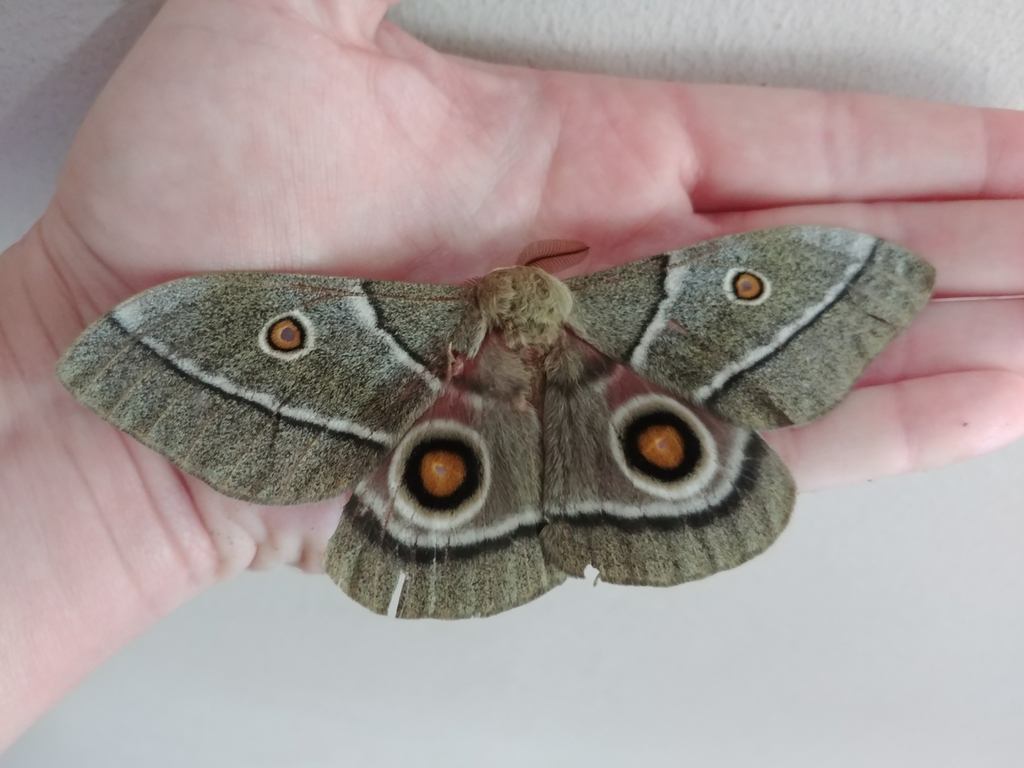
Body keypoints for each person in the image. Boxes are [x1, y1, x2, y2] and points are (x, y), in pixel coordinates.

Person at [1, 0, 1022, 749]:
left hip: (459, 427)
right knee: (655, 446)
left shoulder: (414, 324)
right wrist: (74, 317)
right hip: (554, 398)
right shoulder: (625, 294)